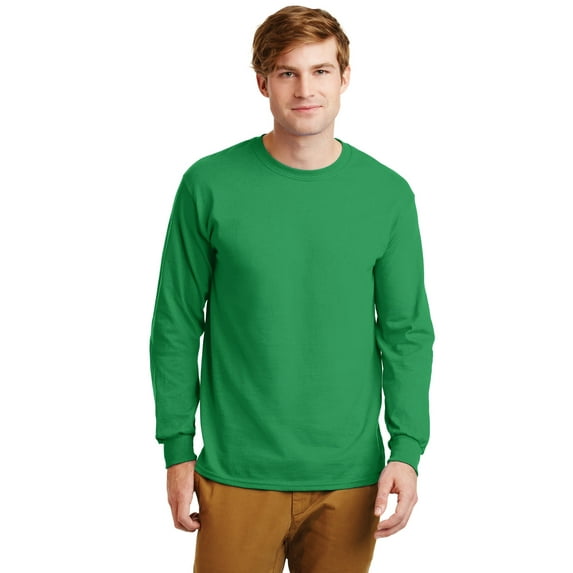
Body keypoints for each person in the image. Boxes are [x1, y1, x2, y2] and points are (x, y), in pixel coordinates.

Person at [149, 5, 435, 572]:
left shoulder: (387, 194)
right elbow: (176, 322)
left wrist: (407, 450)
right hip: (235, 473)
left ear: (344, 77)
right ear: (263, 82)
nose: (305, 89)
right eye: (287, 73)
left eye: (320, 71)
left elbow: (406, 332)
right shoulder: (208, 184)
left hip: (351, 480)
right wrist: (177, 449)